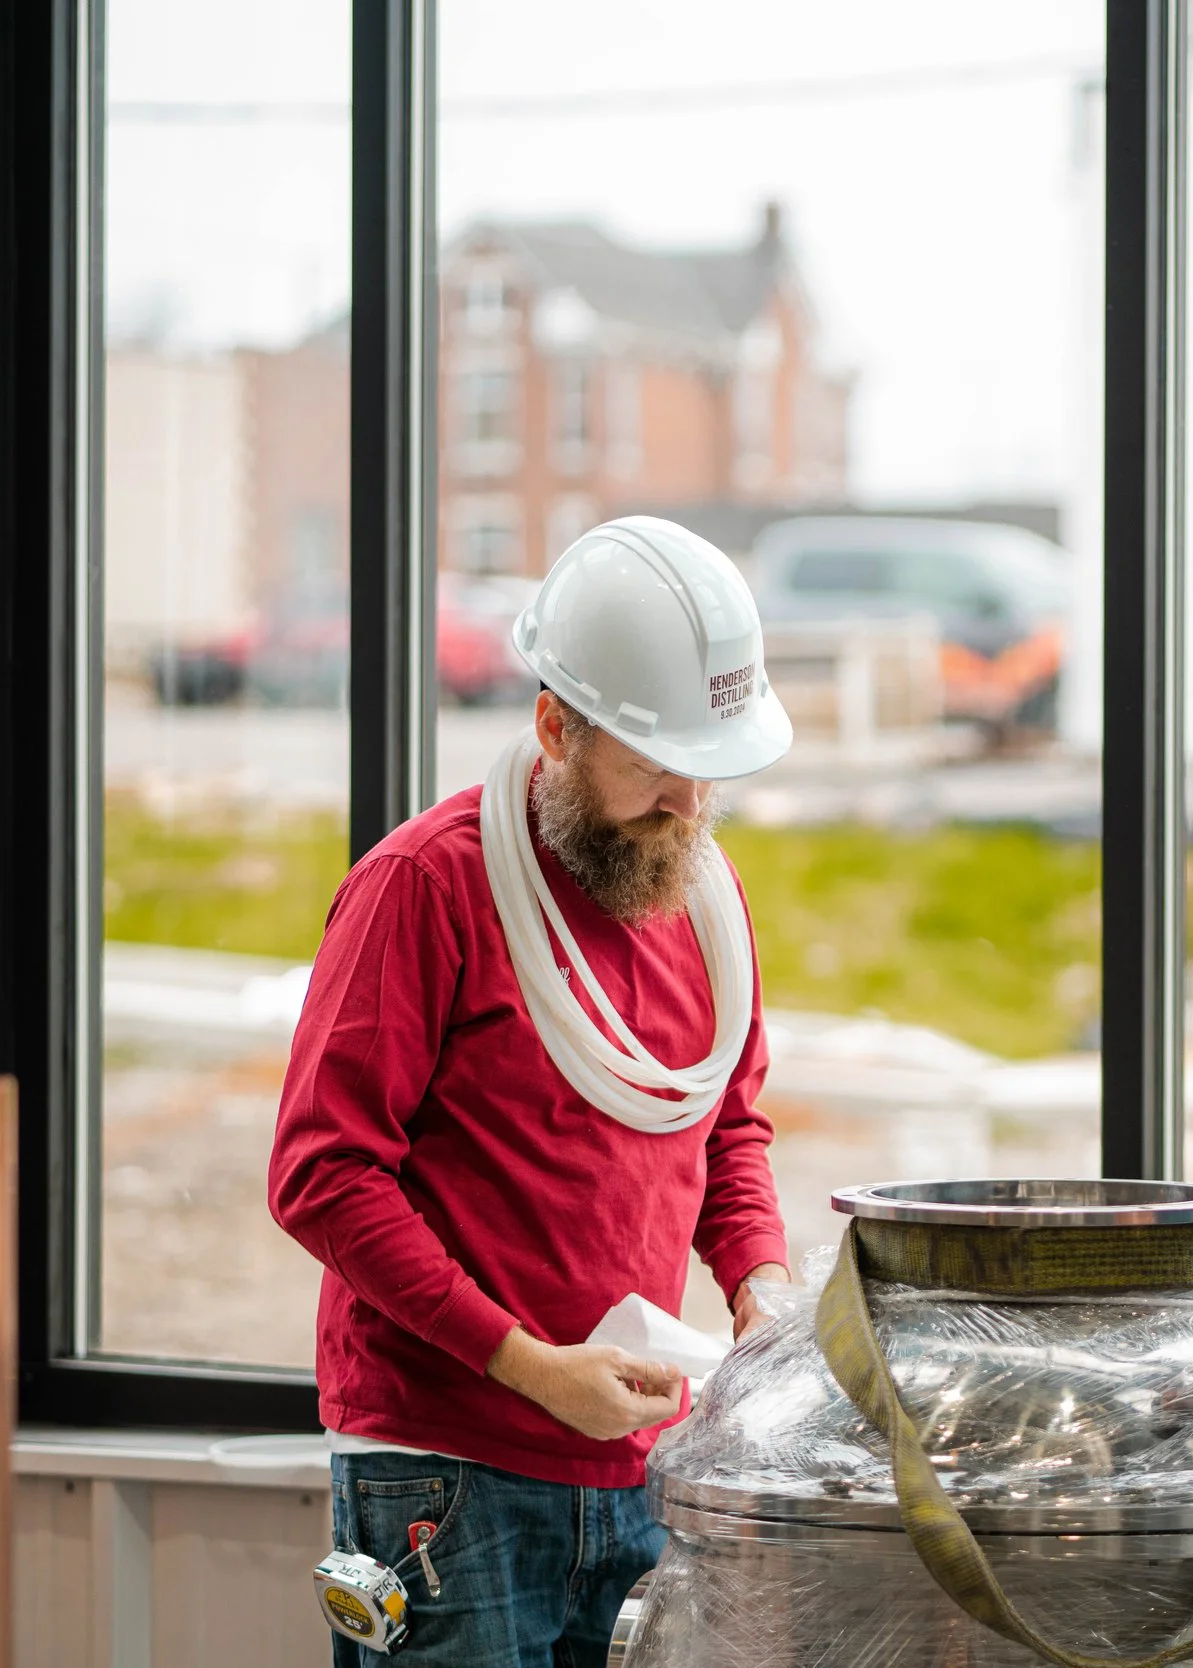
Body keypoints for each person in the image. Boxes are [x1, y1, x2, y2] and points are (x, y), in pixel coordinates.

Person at [270, 516, 798, 1666]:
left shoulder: (699, 899)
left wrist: (759, 1289)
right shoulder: (423, 889)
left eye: (707, 770)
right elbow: (322, 1175)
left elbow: (726, 1125)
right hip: (447, 1476)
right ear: (555, 724)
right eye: (655, 762)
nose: (686, 805)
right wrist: (528, 1366)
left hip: (640, 1462)